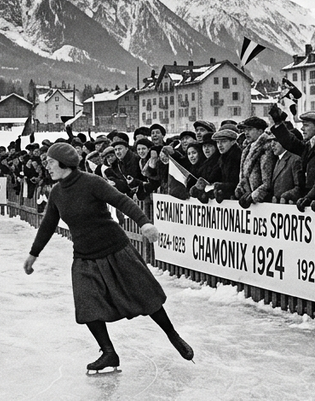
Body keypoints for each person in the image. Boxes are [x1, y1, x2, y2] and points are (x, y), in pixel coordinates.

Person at [23, 142, 193, 374]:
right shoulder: (57, 193)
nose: (47, 166)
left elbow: (122, 201)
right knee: (87, 305)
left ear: (64, 163)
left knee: (145, 295)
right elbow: (48, 225)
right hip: (84, 256)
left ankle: (172, 335)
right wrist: (34, 254)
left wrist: (144, 223)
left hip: (115, 249)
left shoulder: (91, 182)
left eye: (51, 162)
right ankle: (108, 352)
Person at [235, 117, 275, 208]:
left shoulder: (266, 148)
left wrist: (253, 196)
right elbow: (244, 175)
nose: (246, 133)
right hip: (250, 200)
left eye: (249, 129)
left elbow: (267, 182)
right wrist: (240, 190)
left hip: (262, 203)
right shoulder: (247, 148)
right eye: (245, 130)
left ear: (260, 131)